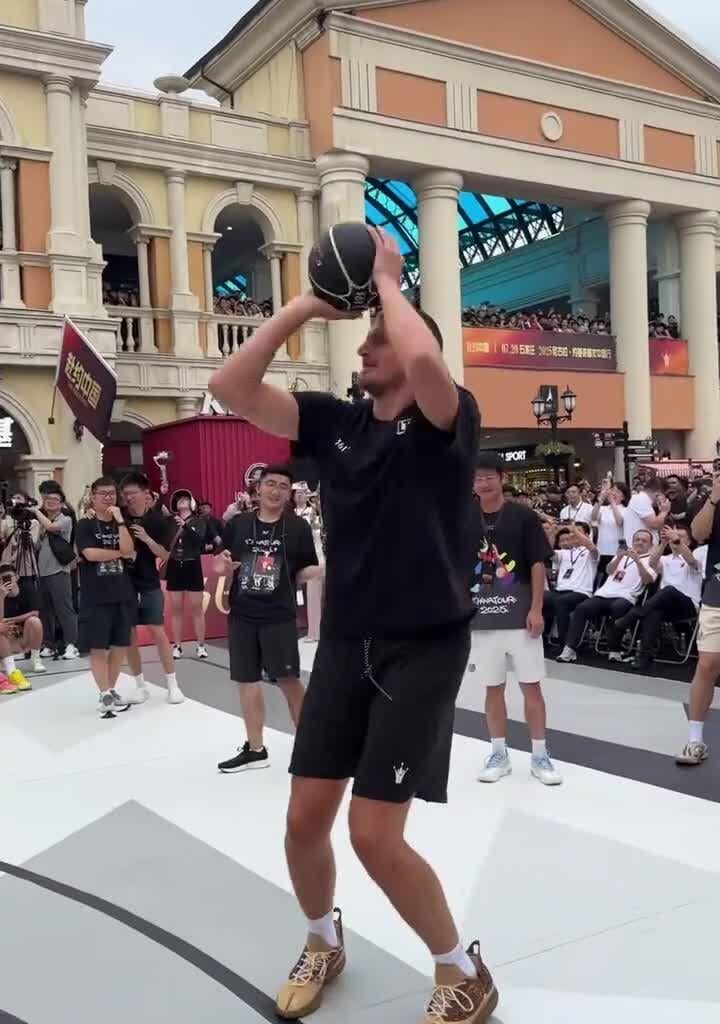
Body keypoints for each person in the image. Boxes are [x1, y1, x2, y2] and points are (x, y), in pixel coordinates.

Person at [208, 227, 496, 1024]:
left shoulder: (449, 419)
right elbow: (231, 385)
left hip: (424, 647)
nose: (364, 347)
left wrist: (392, 283)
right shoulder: (334, 424)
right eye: (364, 335)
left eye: (379, 340)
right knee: (304, 821)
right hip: (345, 643)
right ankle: (321, 937)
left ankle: (460, 970)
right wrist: (312, 301)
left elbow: (431, 365)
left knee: (374, 835)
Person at [215, 464, 321, 772]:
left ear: (289, 494)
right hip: (243, 615)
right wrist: (223, 567)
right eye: (270, 484)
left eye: (283, 486)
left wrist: (324, 569)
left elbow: (302, 571)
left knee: (289, 680)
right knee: (246, 681)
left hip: (279, 616)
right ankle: (255, 748)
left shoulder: (297, 528)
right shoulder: (238, 524)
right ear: (258, 489)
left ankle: (310, 747)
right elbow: (224, 563)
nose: (276, 491)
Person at [470, 453, 562, 787]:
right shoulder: (464, 517)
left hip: (520, 616)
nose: (483, 482)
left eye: (488, 476)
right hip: (482, 619)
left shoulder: (522, 516)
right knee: (492, 688)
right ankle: (499, 753)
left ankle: (540, 755)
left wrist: (536, 609)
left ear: (502, 477)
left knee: (531, 686)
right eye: (477, 477)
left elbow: (537, 563)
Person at [120, 472, 184, 704]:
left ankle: (173, 685)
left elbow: (165, 554)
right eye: (125, 494)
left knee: (158, 631)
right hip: (124, 583)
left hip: (149, 582)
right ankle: (139, 686)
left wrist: (147, 539)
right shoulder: (120, 517)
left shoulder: (158, 521)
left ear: (146, 494)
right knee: (129, 635)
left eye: (133, 493)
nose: (129, 498)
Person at [75, 477, 136, 719]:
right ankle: (103, 693)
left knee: (120, 645)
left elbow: (130, 549)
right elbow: (90, 554)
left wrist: (120, 521)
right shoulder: (85, 525)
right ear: (93, 496)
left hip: (122, 593)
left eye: (112, 493)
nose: (108, 497)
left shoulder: (122, 523)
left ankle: (110, 690)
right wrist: (119, 553)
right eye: (103, 494)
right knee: (98, 646)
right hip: (95, 595)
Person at [556, 529, 656, 663]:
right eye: (637, 539)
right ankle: (569, 648)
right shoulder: (621, 555)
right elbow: (609, 571)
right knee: (582, 608)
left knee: (618, 607)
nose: (640, 543)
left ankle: (614, 649)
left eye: (644, 541)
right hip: (604, 594)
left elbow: (647, 580)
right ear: (632, 541)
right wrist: (619, 557)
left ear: (650, 545)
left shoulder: (652, 560)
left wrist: (638, 561)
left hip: (626, 597)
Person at [616, 525, 704, 672]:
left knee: (669, 590)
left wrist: (676, 541)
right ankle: (645, 657)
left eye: (681, 537)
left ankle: (633, 615)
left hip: (688, 606)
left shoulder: (694, 557)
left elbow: (691, 561)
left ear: (688, 542)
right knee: (653, 611)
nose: (675, 539)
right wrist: (663, 543)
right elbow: (652, 563)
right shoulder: (665, 558)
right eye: (673, 537)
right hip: (666, 606)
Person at [677, 472, 720, 765]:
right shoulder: (713, 499)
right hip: (717, 591)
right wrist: (715, 497)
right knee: (707, 665)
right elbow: (699, 534)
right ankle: (695, 740)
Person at [34, 489, 79, 660]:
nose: (50, 501)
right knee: (45, 611)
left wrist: (36, 512)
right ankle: (49, 644)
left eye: (55, 499)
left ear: (61, 504)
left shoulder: (65, 520)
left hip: (59, 571)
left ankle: (71, 645)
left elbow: (52, 528)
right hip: (43, 572)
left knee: (64, 609)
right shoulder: (42, 522)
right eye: (47, 498)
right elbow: (37, 546)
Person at [165, 489, 208, 660]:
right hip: (175, 565)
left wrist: (185, 526)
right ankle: (177, 646)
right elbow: (166, 541)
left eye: (185, 498)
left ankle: (201, 646)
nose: (181, 501)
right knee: (176, 609)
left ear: (191, 502)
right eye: (178, 499)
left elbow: (200, 540)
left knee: (197, 609)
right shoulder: (169, 521)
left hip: (192, 565)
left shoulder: (199, 520)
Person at [543, 524, 598, 649]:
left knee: (561, 602)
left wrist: (574, 530)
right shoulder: (565, 553)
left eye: (578, 532)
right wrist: (552, 533)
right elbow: (549, 552)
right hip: (560, 590)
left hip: (581, 591)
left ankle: (565, 645)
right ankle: (541, 638)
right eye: (572, 532)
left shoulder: (590, 553)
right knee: (537, 597)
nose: (573, 534)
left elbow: (592, 548)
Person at [0, 564, 43, 693]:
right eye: (3, 579)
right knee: (1, 630)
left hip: (24, 636)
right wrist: (1, 597)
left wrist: (13, 620)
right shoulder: (0, 594)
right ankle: (11, 671)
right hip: (9, 637)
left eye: (9, 577)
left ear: (17, 577)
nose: (7, 581)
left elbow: (35, 613)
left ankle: (35, 659)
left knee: (35, 621)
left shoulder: (27, 589)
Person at [624, 474, 670, 544]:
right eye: (665, 495)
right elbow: (654, 524)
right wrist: (664, 511)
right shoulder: (641, 499)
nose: (666, 498)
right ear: (658, 493)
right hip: (639, 549)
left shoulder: (644, 500)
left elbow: (659, 527)